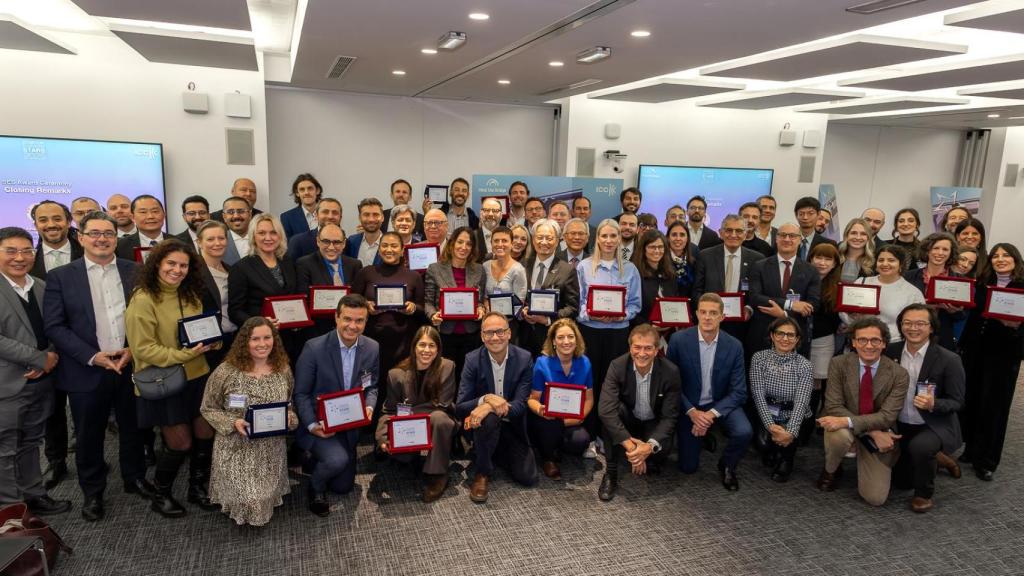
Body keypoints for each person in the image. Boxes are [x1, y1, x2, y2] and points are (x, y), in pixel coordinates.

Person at [43, 212, 154, 521]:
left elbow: (148, 316)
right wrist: (93, 356)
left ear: (116, 239)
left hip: (129, 363)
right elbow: (55, 326)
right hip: (86, 368)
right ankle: (93, 491)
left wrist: (134, 349)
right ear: (81, 237)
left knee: (134, 428)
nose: (102, 238)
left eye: (108, 233)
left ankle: (134, 478)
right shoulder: (61, 276)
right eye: (94, 233)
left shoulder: (136, 271)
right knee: (89, 435)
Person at [125, 239, 216, 517]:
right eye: (171, 264)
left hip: (198, 377)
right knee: (180, 443)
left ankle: (196, 487)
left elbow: (201, 331)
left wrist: (213, 342)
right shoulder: (142, 300)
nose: (177, 270)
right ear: (157, 265)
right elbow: (143, 350)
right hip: (164, 381)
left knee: (206, 433)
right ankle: (161, 494)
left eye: (183, 265)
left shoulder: (191, 294)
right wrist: (185, 355)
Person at [200, 317, 297, 526]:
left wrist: (290, 418)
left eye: (267, 338)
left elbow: (289, 404)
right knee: (250, 500)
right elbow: (208, 408)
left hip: (271, 447)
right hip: (236, 446)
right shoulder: (226, 372)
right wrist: (234, 422)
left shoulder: (283, 370)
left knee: (261, 499)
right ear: (244, 341)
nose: (262, 344)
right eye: (255, 339)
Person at [0, 227, 68, 516]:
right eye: (11, 251)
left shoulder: (41, 286)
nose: (20, 257)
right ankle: (10, 508)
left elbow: (57, 325)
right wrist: (40, 359)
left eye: (26, 251)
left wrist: (51, 356)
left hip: (43, 380)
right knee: (4, 449)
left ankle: (34, 494)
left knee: (31, 442)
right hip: (8, 382)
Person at [293, 294, 379, 515]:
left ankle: (314, 463)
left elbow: (372, 386)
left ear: (365, 322)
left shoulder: (372, 348)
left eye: (359, 320)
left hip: (349, 426)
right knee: (336, 460)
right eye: (347, 319)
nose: (353, 326)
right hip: (319, 426)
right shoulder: (314, 348)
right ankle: (315, 488)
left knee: (343, 487)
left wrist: (369, 407)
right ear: (336, 317)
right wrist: (313, 426)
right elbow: (300, 394)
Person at [816, 317, 907, 507]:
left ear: (884, 343)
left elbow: (887, 417)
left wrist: (854, 424)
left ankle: (859, 450)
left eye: (875, 340)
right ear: (854, 342)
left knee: (875, 498)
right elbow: (833, 405)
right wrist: (870, 430)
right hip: (859, 428)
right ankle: (831, 470)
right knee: (838, 434)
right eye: (862, 340)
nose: (868, 345)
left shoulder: (899, 374)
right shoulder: (838, 364)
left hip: (878, 431)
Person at [885, 304, 965, 513]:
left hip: (931, 423)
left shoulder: (949, 359)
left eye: (920, 323)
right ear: (901, 326)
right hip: (899, 422)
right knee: (901, 483)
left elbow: (957, 401)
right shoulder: (890, 351)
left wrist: (934, 404)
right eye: (907, 323)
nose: (913, 328)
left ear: (931, 328)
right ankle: (939, 457)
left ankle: (924, 493)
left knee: (920, 448)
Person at [667, 293, 751, 490]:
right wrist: (693, 413)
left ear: (722, 317)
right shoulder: (678, 340)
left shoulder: (735, 346)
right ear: (696, 314)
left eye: (713, 313)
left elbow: (739, 392)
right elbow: (670, 385)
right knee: (688, 467)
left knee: (744, 431)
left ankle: (727, 465)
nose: (707, 317)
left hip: (719, 403)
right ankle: (702, 435)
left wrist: (709, 416)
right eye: (703, 312)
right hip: (689, 405)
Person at [456, 313, 538, 502]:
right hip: (484, 426)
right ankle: (482, 472)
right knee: (488, 419)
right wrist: (487, 399)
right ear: (482, 336)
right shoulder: (472, 360)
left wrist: (489, 407)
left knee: (528, 477)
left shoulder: (524, 359)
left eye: (500, 331)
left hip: (513, 425)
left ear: (509, 333)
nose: (495, 337)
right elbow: (460, 406)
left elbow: (520, 405)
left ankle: (494, 450)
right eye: (489, 333)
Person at [959, 243, 1024, 481]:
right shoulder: (982, 284)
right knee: (973, 399)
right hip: (976, 351)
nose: (1000, 259)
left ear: (1016, 259)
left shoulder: (1022, 287)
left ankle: (987, 460)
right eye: (996, 255)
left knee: (995, 406)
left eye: (1006, 255)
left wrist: (1016, 328)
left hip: (1005, 355)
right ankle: (970, 449)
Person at [29, 200, 83, 490]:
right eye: (43, 219)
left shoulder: (86, 251)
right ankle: (56, 461)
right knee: (53, 410)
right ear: (36, 224)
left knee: (85, 409)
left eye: (57, 218)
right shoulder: (27, 258)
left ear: (68, 221)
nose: (51, 224)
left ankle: (90, 457)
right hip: (45, 346)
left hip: (84, 344)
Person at [596, 323, 680, 501]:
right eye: (637, 347)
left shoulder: (670, 372)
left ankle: (647, 459)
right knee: (612, 416)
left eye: (648, 348)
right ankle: (611, 473)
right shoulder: (617, 366)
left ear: (657, 350)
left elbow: (669, 418)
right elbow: (605, 410)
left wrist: (648, 447)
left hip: (652, 422)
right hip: (629, 419)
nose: (642, 353)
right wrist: (632, 447)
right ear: (630, 347)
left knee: (662, 451)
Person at [576, 219, 642, 441]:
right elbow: (579, 303)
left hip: (618, 334)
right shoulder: (584, 266)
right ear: (597, 239)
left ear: (619, 239)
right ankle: (590, 432)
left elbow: (635, 304)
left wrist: (621, 315)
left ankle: (609, 434)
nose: (608, 240)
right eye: (604, 236)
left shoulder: (630, 269)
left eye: (613, 236)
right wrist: (591, 315)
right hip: (590, 333)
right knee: (591, 381)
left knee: (612, 384)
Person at [376, 326, 457, 502]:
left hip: (439, 420)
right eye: (422, 345)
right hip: (408, 426)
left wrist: (405, 416)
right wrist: (383, 438)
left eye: (431, 346)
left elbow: (441, 404)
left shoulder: (447, 366)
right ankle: (410, 455)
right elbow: (389, 410)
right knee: (402, 459)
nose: (426, 350)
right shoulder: (396, 374)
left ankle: (438, 474)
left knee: (439, 418)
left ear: (438, 349)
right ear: (414, 347)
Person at [352, 231, 425, 417]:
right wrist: (365, 306)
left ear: (402, 250)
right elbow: (352, 302)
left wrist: (412, 307)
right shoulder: (366, 272)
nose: (389, 249)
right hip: (371, 342)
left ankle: (399, 427)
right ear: (379, 248)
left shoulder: (414, 276)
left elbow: (424, 310)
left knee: (401, 385)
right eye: (385, 245)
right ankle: (372, 424)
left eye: (394, 246)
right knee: (372, 383)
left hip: (403, 343)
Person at [227, 214, 303, 362]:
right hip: (259, 343)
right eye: (262, 233)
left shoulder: (288, 262)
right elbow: (235, 311)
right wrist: (259, 323)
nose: (268, 237)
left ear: (280, 236)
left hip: (290, 340)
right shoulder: (241, 268)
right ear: (253, 236)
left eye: (273, 232)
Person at [749, 317, 813, 483]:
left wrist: (790, 432)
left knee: (787, 441)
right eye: (780, 334)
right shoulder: (759, 358)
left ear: (797, 339)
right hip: (767, 411)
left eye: (791, 335)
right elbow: (758, 394)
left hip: (793, 413)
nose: (785, 339)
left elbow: (802, 401)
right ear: (772, 335)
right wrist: (770, 426)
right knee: (762, 445)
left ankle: (787, 459)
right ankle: (772, 447)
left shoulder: (804, 365)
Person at [527, 319, 593, 480]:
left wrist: (580, 417)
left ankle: (554, 447)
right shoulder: (542, 363)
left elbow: (589, 399)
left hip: (572, 419)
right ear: (553, 341)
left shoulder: (585, 362)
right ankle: (548, 459)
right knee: (550, 429)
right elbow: (532, 399)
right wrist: (541, 411)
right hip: (547, 418)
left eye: (571, 337)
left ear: (577, 340)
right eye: (561, 337)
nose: (566, 341)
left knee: (581, 441)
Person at [746, 222, 821, 358]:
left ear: (799, 240)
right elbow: (755, 297)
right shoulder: (759, 266)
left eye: (792, 236)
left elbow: (813, 305)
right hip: (762, 335)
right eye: (782, 235)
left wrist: (784, 314)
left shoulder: (811, 270)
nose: (787, 239)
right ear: (776, 239)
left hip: (794, 337)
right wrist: (790, 305)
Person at [424, 227, 487, 390]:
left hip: (471, 334)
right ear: (451, 244)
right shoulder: (434, 269)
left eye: (468, 244)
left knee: (468, 379)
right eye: (460, 242)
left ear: (473, 248)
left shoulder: (479, 270)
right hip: (445, 334)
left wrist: (481, 310)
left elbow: (479, 301)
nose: (463, 247)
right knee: (445, 378)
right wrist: (433, 315)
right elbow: (428, 302)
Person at [693, 214, 765, 342]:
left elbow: (758, 292)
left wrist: (749, 308)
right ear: (720, 233)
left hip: (742, 325)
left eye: (738, 231)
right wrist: (706, 312)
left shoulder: (757, 259)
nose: (733, 235)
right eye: (728, 230)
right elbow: (697, 290)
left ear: (745, 234)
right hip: (710, 322)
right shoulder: (705, 256)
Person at [840, 245, 925, 344]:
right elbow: (843, 311)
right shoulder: (862, 282)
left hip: (893, 344)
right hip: (862, 342)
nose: (885, 264)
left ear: (901, 264)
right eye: (881, 260)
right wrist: (852, 318)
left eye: (891, 260)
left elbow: (918, 323)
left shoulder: (912, 293)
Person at [521, 219, 580, 354]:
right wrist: (521, 311)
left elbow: (572, 308)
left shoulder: (567, 270)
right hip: (523, 335)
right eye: (540, 237)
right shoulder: (522, 265)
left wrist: (547, 320)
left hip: (551, 337)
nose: (544, 242)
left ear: (558, 240)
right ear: (533, 239)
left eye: (549, 238)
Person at [296, 223, 363, 336]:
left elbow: (359, 297)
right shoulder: (304, 264)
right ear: (318, 241)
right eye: (326, 241)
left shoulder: (355, 264)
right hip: (318, 332)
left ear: (344, 243)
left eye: (337, 242)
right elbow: (304, 300)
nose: (331, 247)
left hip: (350, 329)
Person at [903, 233, 964, 350]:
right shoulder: (909, 276)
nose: (940, 253)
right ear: (927, 250)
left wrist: (953, 311)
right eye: (936, 248)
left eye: (945, 249)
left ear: (951, 253)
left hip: (943, 338)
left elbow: (962, 316)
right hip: (911, 334)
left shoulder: (960, 280)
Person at [807, 243, 842, 423]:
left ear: (835, 263)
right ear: (811, 259)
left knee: (817, 382)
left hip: (823, 340)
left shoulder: (839, 286)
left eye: (828, 259)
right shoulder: (801, 278)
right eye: (818, 258)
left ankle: (812, 422)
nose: (822, 263)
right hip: (799, 339)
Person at [196, 221, 238, 368]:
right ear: (199, 243)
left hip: (233, 340)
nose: (217, 243)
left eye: (221, 238)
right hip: (208, 346)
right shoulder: (192, 272)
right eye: (210, 239)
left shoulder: (232, 270)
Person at [631, 229, 679, 332]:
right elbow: (632, 308)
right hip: (641, 332)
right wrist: (649, 327)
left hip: (668, 333)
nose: (657, 251)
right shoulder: (634, 274)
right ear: (643, 249)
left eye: (660, 247)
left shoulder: (670, 274)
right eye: (652, 247)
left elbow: (675, 303)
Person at [484, 226, 528, 326]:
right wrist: (487, 308)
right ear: (491, 244)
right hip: (489, 321)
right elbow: (484, 296)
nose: (500, 244)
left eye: (504, 241)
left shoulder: (518, 270)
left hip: (510, 324)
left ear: (512, 244)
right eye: (496, 241)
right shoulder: (485, 266)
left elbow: (519, 303)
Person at [115, 195, 167, 260]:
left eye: (155, 211)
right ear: (132, 217)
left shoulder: (179, 242)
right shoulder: (120, 246)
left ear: (164, 214)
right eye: (143, 212)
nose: (150, 216)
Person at [344, 197, 385, 267]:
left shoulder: (389, 244)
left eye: (375, 215)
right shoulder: (351, 241)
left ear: (382, 218)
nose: (371, 219)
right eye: (366, 215)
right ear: (360, 218)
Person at [280, 173, 323, 239]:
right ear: (297, 193)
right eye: (302, 189)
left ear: (317, 191)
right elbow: (288, 246)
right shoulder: (287, 218)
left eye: (310, 188)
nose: (306, 193)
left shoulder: (327, 214)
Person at [837, 218, 875, 282]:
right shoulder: (835, 256)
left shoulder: (874, 261)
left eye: (863, 234)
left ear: (868, 237)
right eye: (853, 233)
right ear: (846, 235)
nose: (858, 237)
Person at [220, 197, 253, 265]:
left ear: (250, 214)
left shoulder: (263, 239)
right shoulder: (217, 242)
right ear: (224, 217)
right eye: (230, 212)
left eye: (241, 211)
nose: (236, 216)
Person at [666, 220, 696, 298]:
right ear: (668, 238)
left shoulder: (694, 262)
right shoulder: (661, 261)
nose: (678, 238)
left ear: (687, 239)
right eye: (674, 235)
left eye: (682, 235)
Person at [474, 198, 505, 262]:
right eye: (487, 210)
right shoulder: (472, 236)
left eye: (495, 211)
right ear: (481, 213)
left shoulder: (508, 236)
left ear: (501, 215)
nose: (490, 214)